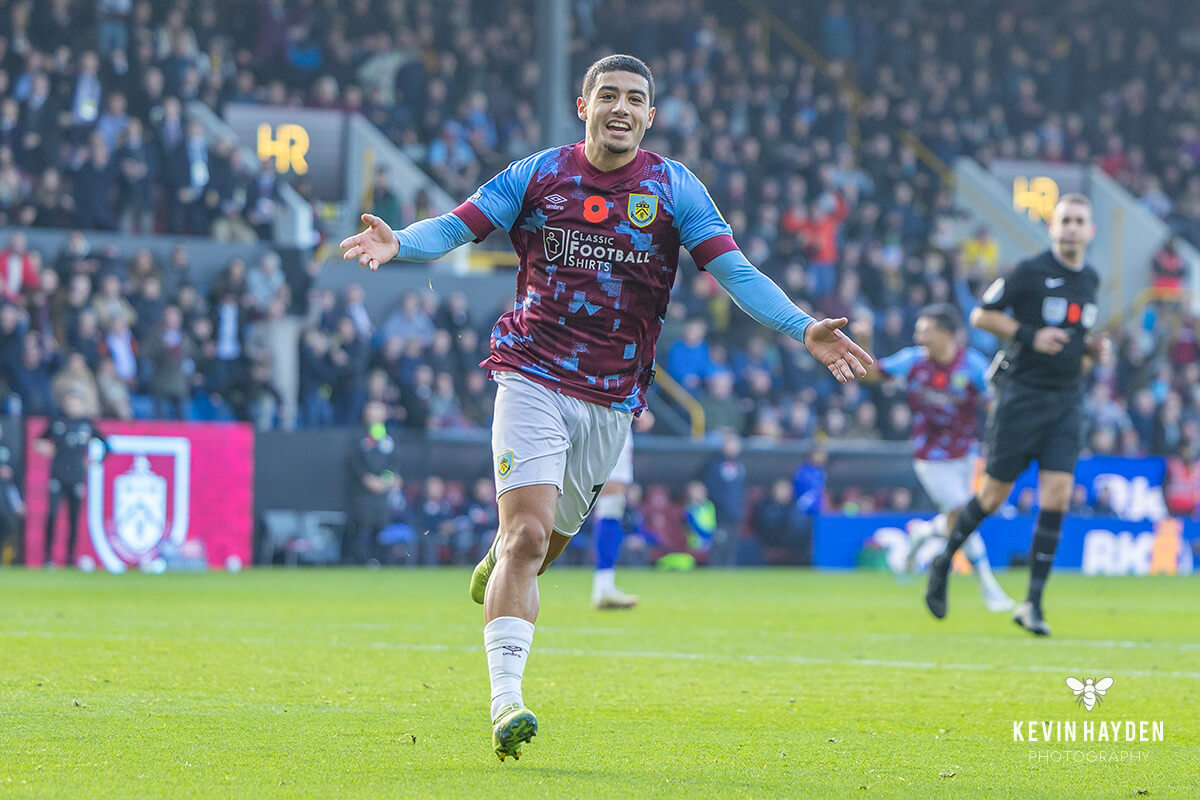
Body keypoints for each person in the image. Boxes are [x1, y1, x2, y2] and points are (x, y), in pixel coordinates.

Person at [339, 54, 872, 761]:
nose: (621, 107)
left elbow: (734, 271)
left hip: (613, 400)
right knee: (527, 539)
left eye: (635, 99)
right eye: (609, 95)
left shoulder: (674, 188)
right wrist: (401, 242)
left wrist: (803, 326)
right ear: (583, 104)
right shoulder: (537, 175)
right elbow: (459, 226)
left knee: (545, 548)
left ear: (650, 116)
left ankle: (502, 557)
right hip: (531, 374)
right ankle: (506, 705)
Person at [923, 194, 1111, 635]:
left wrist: (1093, 352)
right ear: (1054, 228)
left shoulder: (1092, 280)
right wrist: (1030, 334)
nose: (1071, 228)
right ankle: (943, 561)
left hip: (1066, 400)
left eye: (1079, 221)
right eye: (1065, 220)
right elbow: (981, 315)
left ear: (1090, 231)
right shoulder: (1030, 272)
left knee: (1059, 495)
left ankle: (1032, 604)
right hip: (1021, 397)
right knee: (991, 497)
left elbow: (1076, 347)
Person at [853, 304, 1014, 612]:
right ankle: (989, 588)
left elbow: (993, 406)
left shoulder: (972, 365)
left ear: (947, 335)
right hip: (930, 457)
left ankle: (924, 532)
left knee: (960, 519)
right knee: (964, 515)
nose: (919, 337)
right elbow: (869, 376)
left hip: (965, 454)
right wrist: (866, 343)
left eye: (925, 331)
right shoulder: (912, 360)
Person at [589, 410, 654, 610]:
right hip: (605, 408)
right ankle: (603, 586)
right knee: (609, 499)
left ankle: (604, 585)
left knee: (611, 502)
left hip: (613, 408)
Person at [37, 391, 108, 568]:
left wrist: (93, 461)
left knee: (74, 518)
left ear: (82, 405)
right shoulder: (57, 421)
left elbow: (107, 446)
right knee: (52, 514)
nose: (73, 406)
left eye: (76, 402)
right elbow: (38, 441)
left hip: (76, 477)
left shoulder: (86, 424)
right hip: (57, 475)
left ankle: (70, 558)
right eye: (70, 402)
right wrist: (45, 447)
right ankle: (48, 558)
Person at [345, 400, 401, 565]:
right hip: (362, 491)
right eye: (372, 409)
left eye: (379, 410)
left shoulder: (390, 437)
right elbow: (353, 461)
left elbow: (394, 463)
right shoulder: (357, 436)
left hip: (383, 491)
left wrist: (388, 479)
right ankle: (357, 560)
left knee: (382, 525)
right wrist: (366, 478)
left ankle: (379, 560)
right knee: (362, 525)